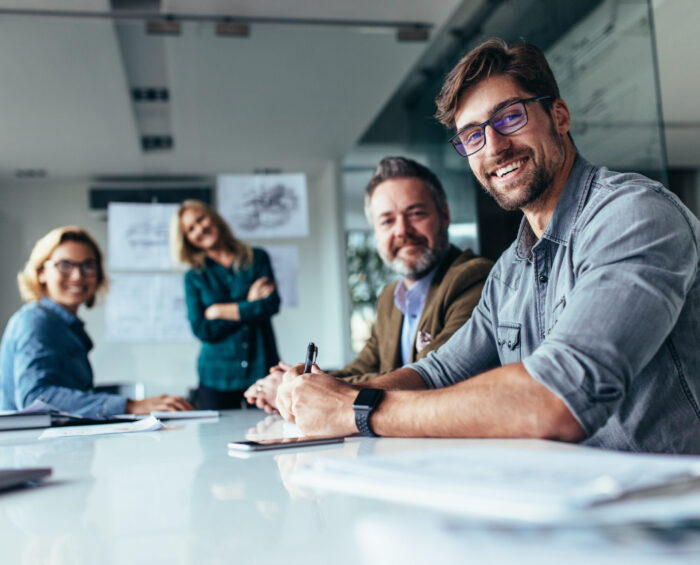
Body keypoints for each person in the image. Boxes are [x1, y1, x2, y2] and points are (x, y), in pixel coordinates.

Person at [276, 39, 700, 454]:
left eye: (510, 117)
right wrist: (326, 394)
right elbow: (437, 372)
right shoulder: (510, 270)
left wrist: (357, 409)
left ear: (560, 115)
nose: (493, 146)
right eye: (472, 136)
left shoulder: (632, 215)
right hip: (577, 499)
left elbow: (557, 399)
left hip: (672, 509)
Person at [244, 157, 493, 412]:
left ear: (445, 215)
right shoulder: (390, 298)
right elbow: (365, 367)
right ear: (376, 231)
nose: (402, 230)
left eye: (416, 213)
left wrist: (301, 389)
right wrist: (303, 381)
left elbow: (432, 375)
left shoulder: (472, 278)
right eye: (387, 221)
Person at [0, 226, 193, 417]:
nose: (77, 276)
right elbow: (36, 398)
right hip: (31, 446)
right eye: (65, 265)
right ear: (41, 272)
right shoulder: (36, 322)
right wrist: (129, 405)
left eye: (88, 266)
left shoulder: (65, 326)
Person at [171, 199, 280, 409]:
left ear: (213, 217)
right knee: (215, 440)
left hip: (262, 368)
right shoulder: (194, 276)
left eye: (200, 219)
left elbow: (270, 305)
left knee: (270, 434)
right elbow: (202, 328)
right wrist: (248, 303)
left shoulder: (257, 258)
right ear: (187, 240)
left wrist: (220, 310)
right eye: (190, 229)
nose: (199, 229)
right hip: (216, 377)